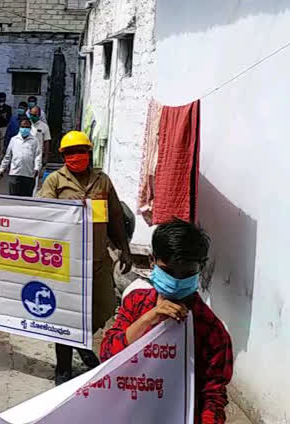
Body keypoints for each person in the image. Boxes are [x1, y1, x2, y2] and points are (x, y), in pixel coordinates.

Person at [101, 219, 233, 423]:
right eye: (169, 272)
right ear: (152, 261)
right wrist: (148, 319)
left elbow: (212, 396)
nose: (177, 281)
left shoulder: (211, 330)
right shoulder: (136, 304)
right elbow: (107, 355)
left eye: (187, 273)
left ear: (201, 267)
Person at [38, 131, 133, 385]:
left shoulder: (102, 181)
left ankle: (80, 342)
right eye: (69, 152)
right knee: (66, 314)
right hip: (66, 264)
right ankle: (63, 368)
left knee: (102, 308)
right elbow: (42, 215)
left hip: (98, 260)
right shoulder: (55, 181)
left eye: (80, 151)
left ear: (89, 153)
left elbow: (115, 216)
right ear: (63, 156)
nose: (75, 156)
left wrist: (125, 248)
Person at [0, 117, 42, 196]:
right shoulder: (14, 140)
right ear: (19, 127)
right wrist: (2, 168)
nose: (24, 129)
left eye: (27, 127)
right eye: (23, 127)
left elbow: (37, 156)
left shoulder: (34, 140)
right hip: (15, 174)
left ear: (30, 128)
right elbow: (8, 156)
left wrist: (37, 168)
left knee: (26, 199)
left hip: (28, 174)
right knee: (13, 198)